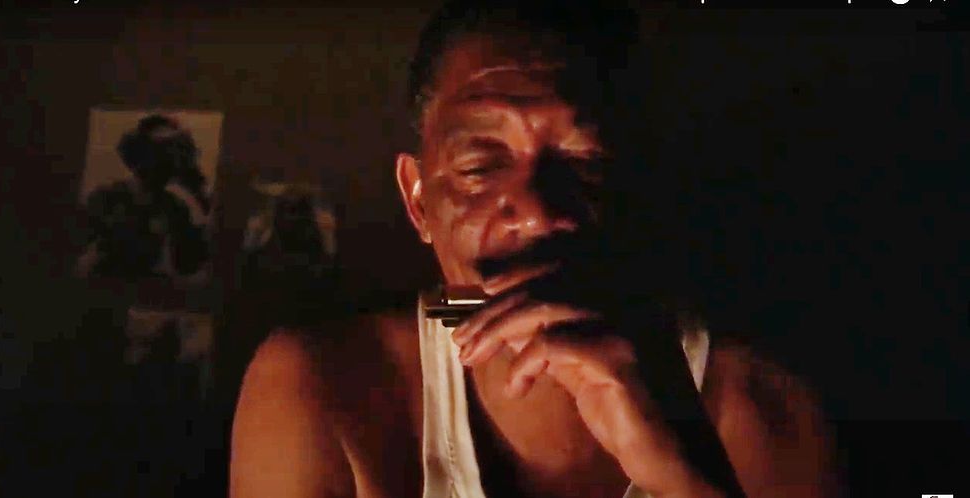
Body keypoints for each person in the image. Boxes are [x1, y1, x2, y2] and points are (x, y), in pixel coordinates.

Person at [230, 2, 840, 497]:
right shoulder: (323, 390)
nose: (538, 211)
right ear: (418, 202)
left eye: (585, 162)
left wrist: (685, 477)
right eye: (481, 166)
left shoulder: (758, 409)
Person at [77, 114, 210, 280]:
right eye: (158, 151)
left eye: (172, 152)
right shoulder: (105, 198)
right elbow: (79, 254)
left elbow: (188, 265)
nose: (166, 160)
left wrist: (198, 191)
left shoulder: (174, 207)